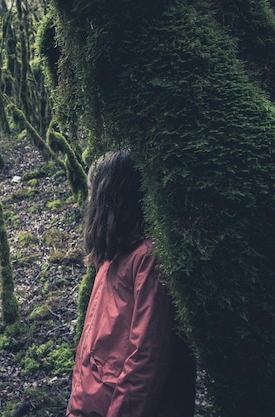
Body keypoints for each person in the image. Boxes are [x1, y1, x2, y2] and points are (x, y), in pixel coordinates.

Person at [67, 150, 195, 417]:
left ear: (110, 200)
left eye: (94, 194)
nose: (89, 204)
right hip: (93, 401)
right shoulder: (113, 252)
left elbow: (147, 357)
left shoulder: (149, 258)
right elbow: (92, 340)